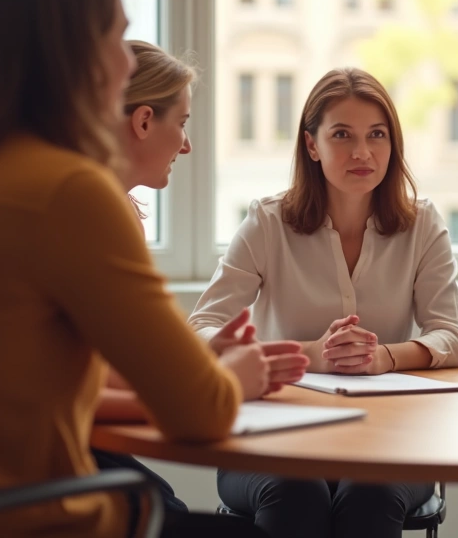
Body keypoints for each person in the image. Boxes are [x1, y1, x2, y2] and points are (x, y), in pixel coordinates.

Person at [0, 0, 267, 538]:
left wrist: (200, 360)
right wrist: (236, 379)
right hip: (37, 521)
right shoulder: (68, 190)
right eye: (115, 35)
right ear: (63, 51)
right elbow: (203, 412)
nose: (125, 60)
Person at [189, 67, 458, 538]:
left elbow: (454, 336)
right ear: (312, 145)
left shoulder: (422, 225)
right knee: (296, 493)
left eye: (376, 135)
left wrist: (383, 357)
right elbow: (201, 329)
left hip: (389, 441)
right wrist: (310, 355)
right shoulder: (268, 222)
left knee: (370, 493)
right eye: (342, 134)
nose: (362, 152)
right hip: (273, 441)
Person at [89, 40, 308, 536]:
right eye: (182, 123)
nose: (187, 146)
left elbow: (93, 372)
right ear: (143, 121)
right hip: (46, 471)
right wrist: (223, 383)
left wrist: (206, 367)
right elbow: (92, 386)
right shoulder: (91, 211)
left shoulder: (105, 206)